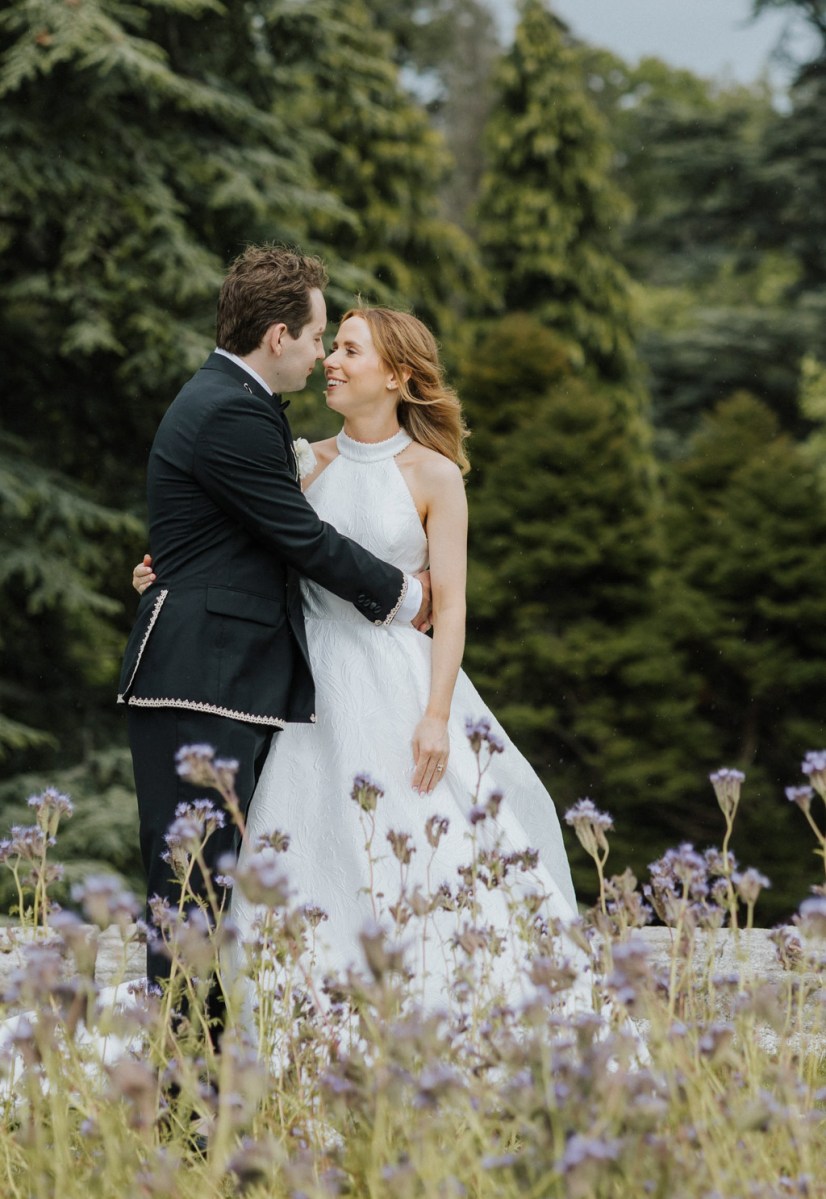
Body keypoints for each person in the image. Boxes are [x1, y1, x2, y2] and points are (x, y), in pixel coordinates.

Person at [134, 306, 583, 1013]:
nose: (331, 362)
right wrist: (169, 575)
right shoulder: (302, 462)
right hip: (303, 685)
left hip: (398, 684)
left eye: (349, 350)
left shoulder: (435, 475)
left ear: (397, 376)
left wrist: (436, 715)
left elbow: (451, 607)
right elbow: (252, 549)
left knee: (416, 849)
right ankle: (294, 1017)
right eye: (331, 345)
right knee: (302, 850)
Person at [119, 247, 432, 999]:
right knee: (190, 882)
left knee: (208, 883)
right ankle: (183, 1067)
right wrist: (406, 597)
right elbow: (301, 537)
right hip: (201, 675)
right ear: (278, 336)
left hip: (220, 672)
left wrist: (174, 566)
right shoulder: (231, 409)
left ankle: (202, 1058)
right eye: (319, 336)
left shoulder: (231, 400)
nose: (321, 354)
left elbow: (238, 535)